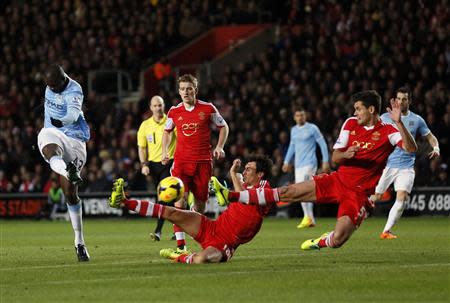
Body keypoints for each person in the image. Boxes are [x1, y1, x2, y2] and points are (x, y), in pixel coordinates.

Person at [211, 90, 417, 251]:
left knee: (338, 239)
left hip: (359, 193)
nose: (355, 113)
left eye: (358, 108)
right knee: (287, 191)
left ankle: (322, 241)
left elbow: (411, 149)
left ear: (371, 110)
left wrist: (399, 122)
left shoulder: (389, 131)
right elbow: (336, 156)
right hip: (337, 180)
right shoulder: (351, 123)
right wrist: (346, 155)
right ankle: (231, 195)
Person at [108, 155, 274, 263]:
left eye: (249, 169)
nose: (244, 171)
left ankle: (178, 256)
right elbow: (238, 193)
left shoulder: (265, 188)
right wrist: (232, 178)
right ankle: (124, 201)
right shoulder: (242, 184)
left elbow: (245, 197)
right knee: (172, 213)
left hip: (225, 243)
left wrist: (232, 173)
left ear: (260, 175)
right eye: (244, 168)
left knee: (201, 260)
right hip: (212, 227)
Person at [161, 74, 229, 251]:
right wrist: (165, 151)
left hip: (203, 163)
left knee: (200, 206)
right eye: (182, 89)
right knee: (179, 201)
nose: (185, 92)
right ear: (179, 91)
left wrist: (220, 147)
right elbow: (167, 131)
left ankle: (193, 214)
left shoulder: (208, 108)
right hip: (181, 163)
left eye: (189, 89)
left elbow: (224, 127)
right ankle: (180, 246)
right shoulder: (174, 111)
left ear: (195, 90)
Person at [370, 87, 440, 239]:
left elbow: (431, 137)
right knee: (375, 197)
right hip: (387, 165)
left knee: (402, 198)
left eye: (404, 99)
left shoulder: (417, 120)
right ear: (395, 100)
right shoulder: (385, 117)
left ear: (410, 101)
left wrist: (436, 148)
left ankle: (386, 231)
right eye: (399, 99)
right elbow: (372, 134)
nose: (401, 102)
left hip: (406, 167)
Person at [37, 64, 90, 261]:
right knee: (48, 145)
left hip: (75, 139)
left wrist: (62, 121)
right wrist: (55, 125)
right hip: (53, 133)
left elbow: (73, 114)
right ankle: (69, 171)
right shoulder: (50, 86)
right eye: (48, 86)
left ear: (63, 79)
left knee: (70, 193)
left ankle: (79, 241)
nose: (51, 89)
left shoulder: (74, 89)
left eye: (55, 86)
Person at [282, 109, 330, 228]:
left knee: (304, 190)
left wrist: (325, 161)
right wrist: (286, 161)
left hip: (310, 163)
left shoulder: (312, 128)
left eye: (302, 115)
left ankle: (307, 217)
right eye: (297, 115)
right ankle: (310, 218)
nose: (300, 117)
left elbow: (322, 144)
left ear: (305, 116)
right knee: (300, 191)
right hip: (298, 165)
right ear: (294, 117)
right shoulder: (293, 130)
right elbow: (292, 146)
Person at [137, 95, 176, 241]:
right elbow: (142, 147)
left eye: (160, 105)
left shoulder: (171, 122)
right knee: (167, 200)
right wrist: (144, 164)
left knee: (164, 197)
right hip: (153, 166)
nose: (158, 108)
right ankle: (178, 229)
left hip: (169, 163)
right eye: (155, 105)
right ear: (151, 108)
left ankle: (158, 231)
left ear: (164, 106)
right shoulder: (145, 125)